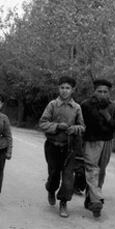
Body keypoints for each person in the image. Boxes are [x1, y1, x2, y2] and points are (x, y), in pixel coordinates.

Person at [39, 76, 85, 218]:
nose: (65, 91)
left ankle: (63, 202)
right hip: (52, 146)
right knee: (53, 174)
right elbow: (42, 123)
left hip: (69, 148)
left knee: (67, 177)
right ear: (58, 88)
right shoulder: (52, 105)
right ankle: (51, 190)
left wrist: (74, 129)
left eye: (68, 88)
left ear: (73, 90)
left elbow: (82, 127)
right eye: (62, 88)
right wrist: (57, 126)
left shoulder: (77, 107)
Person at [81, 78, 115, 218]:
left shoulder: (113, 106)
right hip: (91, 141)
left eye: (105, 92)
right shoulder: (85, 105)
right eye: (99, 91)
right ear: (94, 92)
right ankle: (97, 200)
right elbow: (80, 124)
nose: (102, 94)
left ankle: (90, 200)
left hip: (107, 142)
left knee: (101, 171)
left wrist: (107, 116)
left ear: (109, 93)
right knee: (92, 170)